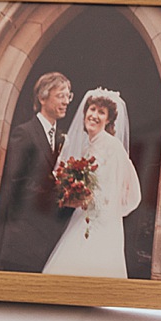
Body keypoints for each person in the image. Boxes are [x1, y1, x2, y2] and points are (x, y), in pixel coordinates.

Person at [43, 89, 141, 279]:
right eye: (92, 109)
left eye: (101, 112)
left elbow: (133, 193)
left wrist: (108, 209)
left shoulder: (113, 147)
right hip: (82, 218)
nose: (94, 115)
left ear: (109, 120)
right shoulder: (88, 147)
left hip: (102, 225)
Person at [0, 72, 74, 272]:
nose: (66, 102)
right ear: (42, 98)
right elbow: (17, 186)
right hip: (23, 243)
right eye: (60, 95)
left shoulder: (62, 140)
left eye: (68, 96)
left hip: (48, 243)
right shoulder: (24, 133)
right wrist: (61, 197)